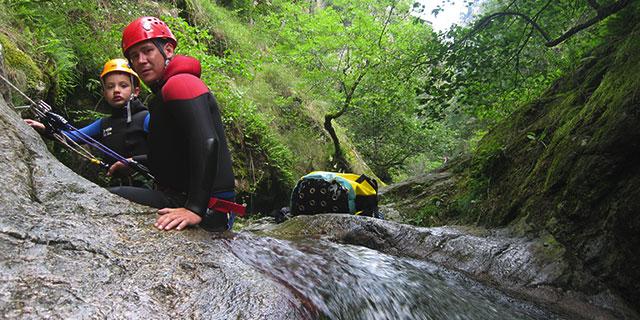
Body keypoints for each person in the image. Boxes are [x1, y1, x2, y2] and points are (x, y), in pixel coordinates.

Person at [110, 16, 237, 232]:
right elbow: (177, 155)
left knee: (108, 197)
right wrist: (134, 162)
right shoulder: (166, 92)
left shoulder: (180, 83)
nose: (141, 60)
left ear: (168, 50)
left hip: (208, 209)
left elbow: (207, 141)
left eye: (148, 50)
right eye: (134, 55)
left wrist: (194, 209)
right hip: (187, 199)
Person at [25, 58, 150, 184]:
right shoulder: (104, 124)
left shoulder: (146, 118)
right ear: (104, 93)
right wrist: (44, 128)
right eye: (110, 87)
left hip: (151, 185)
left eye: (123, 85)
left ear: (136, 91)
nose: (116, 90)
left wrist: (132, 161)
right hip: (122, 186)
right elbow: (72, 137)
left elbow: (167, 152)